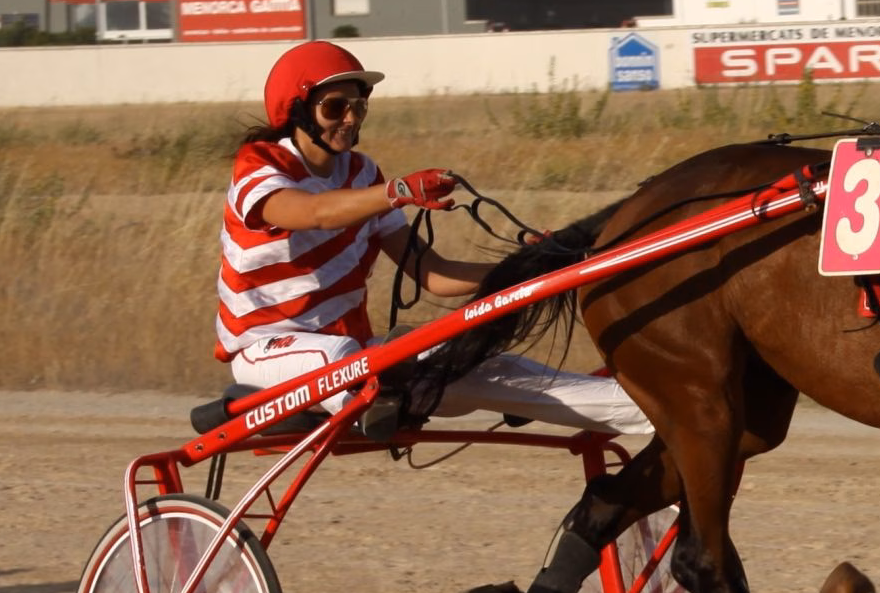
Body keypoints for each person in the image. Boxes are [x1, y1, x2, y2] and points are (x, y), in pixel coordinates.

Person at [214, 39, 649, 436]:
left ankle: (658, 412)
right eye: (335, 107)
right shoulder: (260, 166)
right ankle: (390, 402)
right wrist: (398, 192)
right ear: (297, 110)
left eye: (359, 108)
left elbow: (434, 274)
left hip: (366, 362)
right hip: (266, 353)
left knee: (483, 362)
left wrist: (531, 268)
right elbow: (314, 213)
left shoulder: (363, 173)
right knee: (341, 356)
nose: (350, 119)